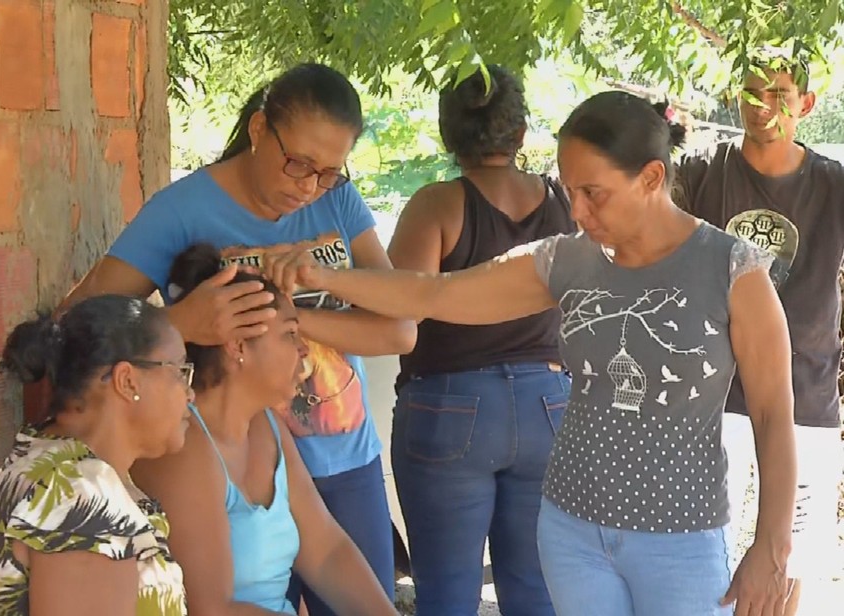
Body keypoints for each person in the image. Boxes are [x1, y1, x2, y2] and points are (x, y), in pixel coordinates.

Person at [263, 90, 799, 616]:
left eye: (594, 192)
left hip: (681, 537)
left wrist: (771, 546)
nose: (579, 211)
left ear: (652, 178)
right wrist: (322, 277)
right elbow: (435, 293)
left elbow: (774, 415)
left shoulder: (734, 270)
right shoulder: (566, 261)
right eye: (570, 192)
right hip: (573, 531)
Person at [58, 63, 410, 613]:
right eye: (298, 163)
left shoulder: (338, 202)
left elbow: (400, 327)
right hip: (218, 454)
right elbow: (77, 326)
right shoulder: (182, 210)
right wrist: (183, 324)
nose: (309, 187)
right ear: (258, 128)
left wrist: (284, 316)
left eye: (329, 172)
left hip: (341, 454)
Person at [385, 65, 574, 616]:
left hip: (448, 407)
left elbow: (400, 308)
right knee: (537, 591)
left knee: (445, 593)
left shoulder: (437, 205)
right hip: (549, 402)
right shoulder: (564, 202)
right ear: (520, 134)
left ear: (448, 135)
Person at [131, 244, 399, 616]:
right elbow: (211, 608)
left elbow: (325, 549)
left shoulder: (268, 423)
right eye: (290, 334)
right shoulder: (185, 444)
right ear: (238, 345)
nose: (304, 349)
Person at [675, 49, 844, 615]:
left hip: (807, 393)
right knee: (705, 552)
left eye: (779, 94)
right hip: (713, 394)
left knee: (791, 556)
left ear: (807, 105)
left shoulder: (834, 185)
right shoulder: (701, 172)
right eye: (751, 92)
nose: (762, 106)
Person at [0, 295, 193, 615]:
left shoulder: (60, 464)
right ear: (127, 380)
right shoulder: (81, 494)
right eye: (179, 371)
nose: (191, 392)